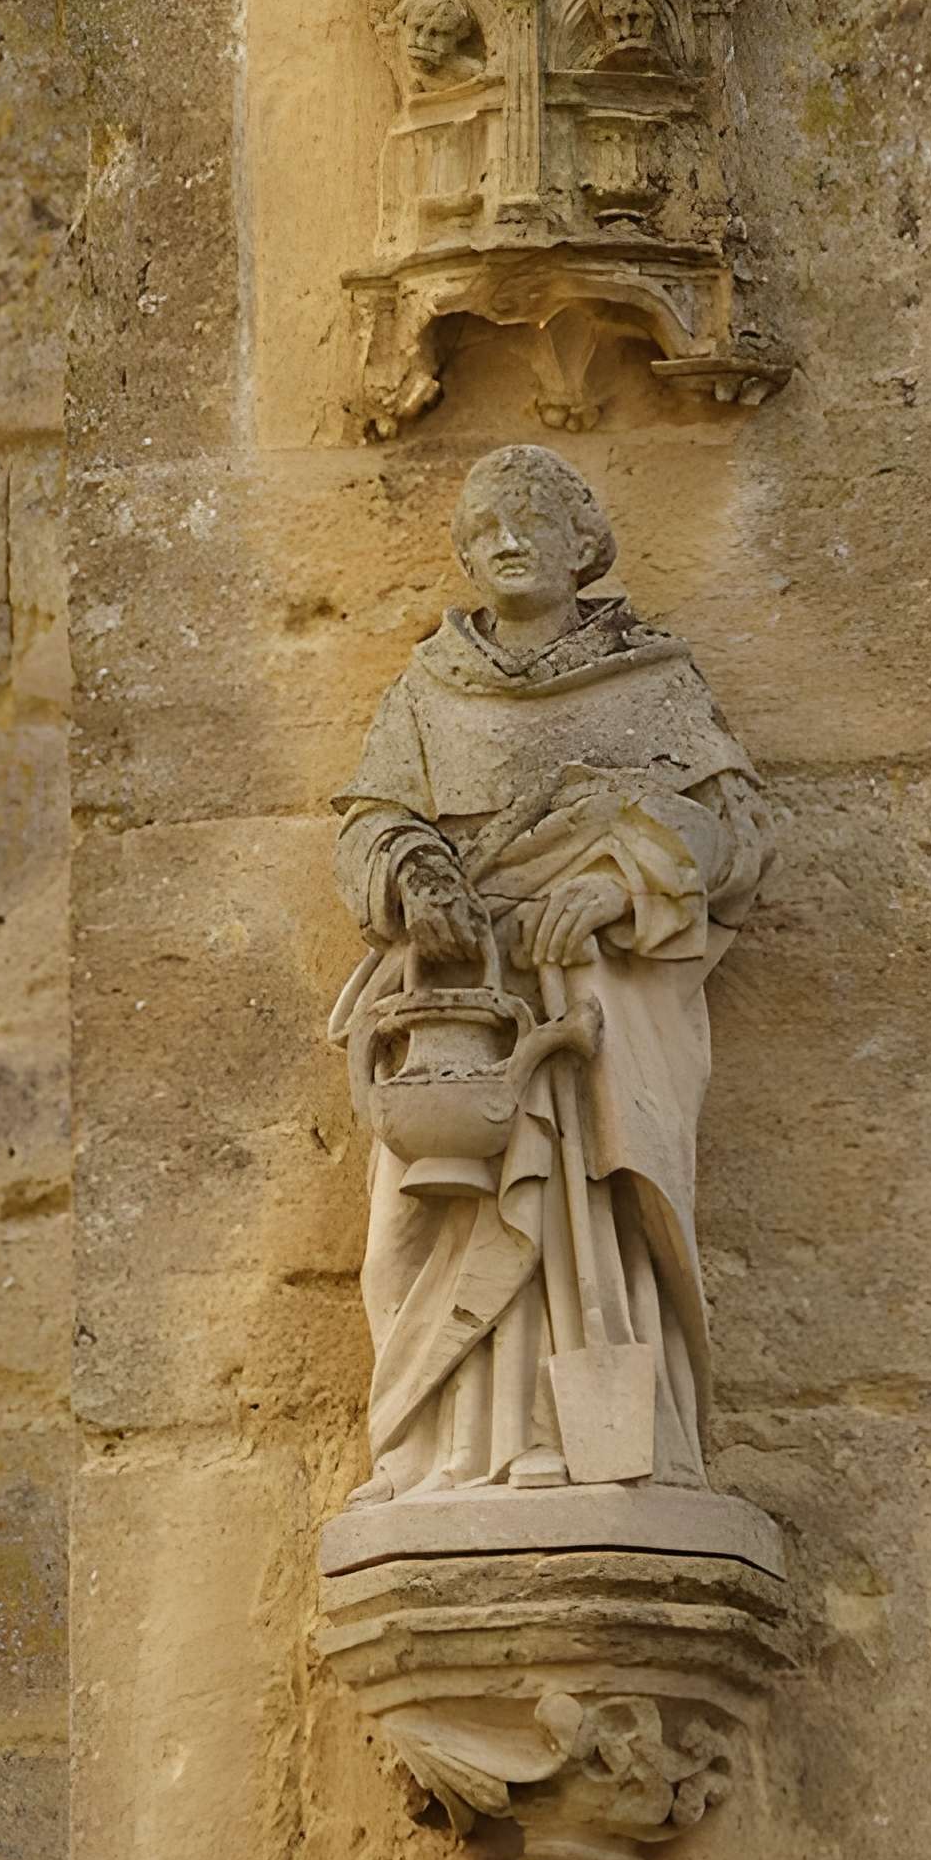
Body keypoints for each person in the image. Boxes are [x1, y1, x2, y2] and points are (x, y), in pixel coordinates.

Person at [329, 445, 770, 1500]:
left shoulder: (655, 684)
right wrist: (415, 873)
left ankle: (604, 1450)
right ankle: (440, 1452)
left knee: (589, 1224)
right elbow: (368, 828)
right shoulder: (427, 690)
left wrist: (623, 883)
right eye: (485, 529)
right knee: (427, 1223)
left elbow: (741, 833)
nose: (509, 541)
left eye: (531, 520)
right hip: (463, 1002)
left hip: (598, 997)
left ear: (584, 545)